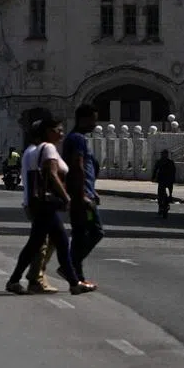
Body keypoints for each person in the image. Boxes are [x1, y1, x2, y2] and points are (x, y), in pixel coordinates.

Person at [6, 118, 82, 295]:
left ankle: (72, 283)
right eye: (58, 130)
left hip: (40, 204)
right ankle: (72, 283)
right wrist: (67, 198)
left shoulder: (32, 151)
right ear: (47, 131)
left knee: (49, 243)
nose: (62, 133)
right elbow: (52, 175)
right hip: (46, 204)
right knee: (50, 243)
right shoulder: (48, 148)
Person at [61, 103, 102, 292]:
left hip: (83, 194)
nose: (95, 124)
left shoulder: (78, 138)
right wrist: (83, 194)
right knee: (95, 231)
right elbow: (77, 166)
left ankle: (77, 277)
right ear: (83, 119)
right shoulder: (77, 139)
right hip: (81, 197)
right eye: (93, 120)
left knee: (80, 235)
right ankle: (70, 268)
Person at [18, 119, 53, 293]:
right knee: (41, 243)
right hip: (37, 203)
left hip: (36, 203)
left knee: (44, 241)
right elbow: (37, 180)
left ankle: (35, 275)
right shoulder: (35, 153)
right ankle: (34, 277)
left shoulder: (32, 151)